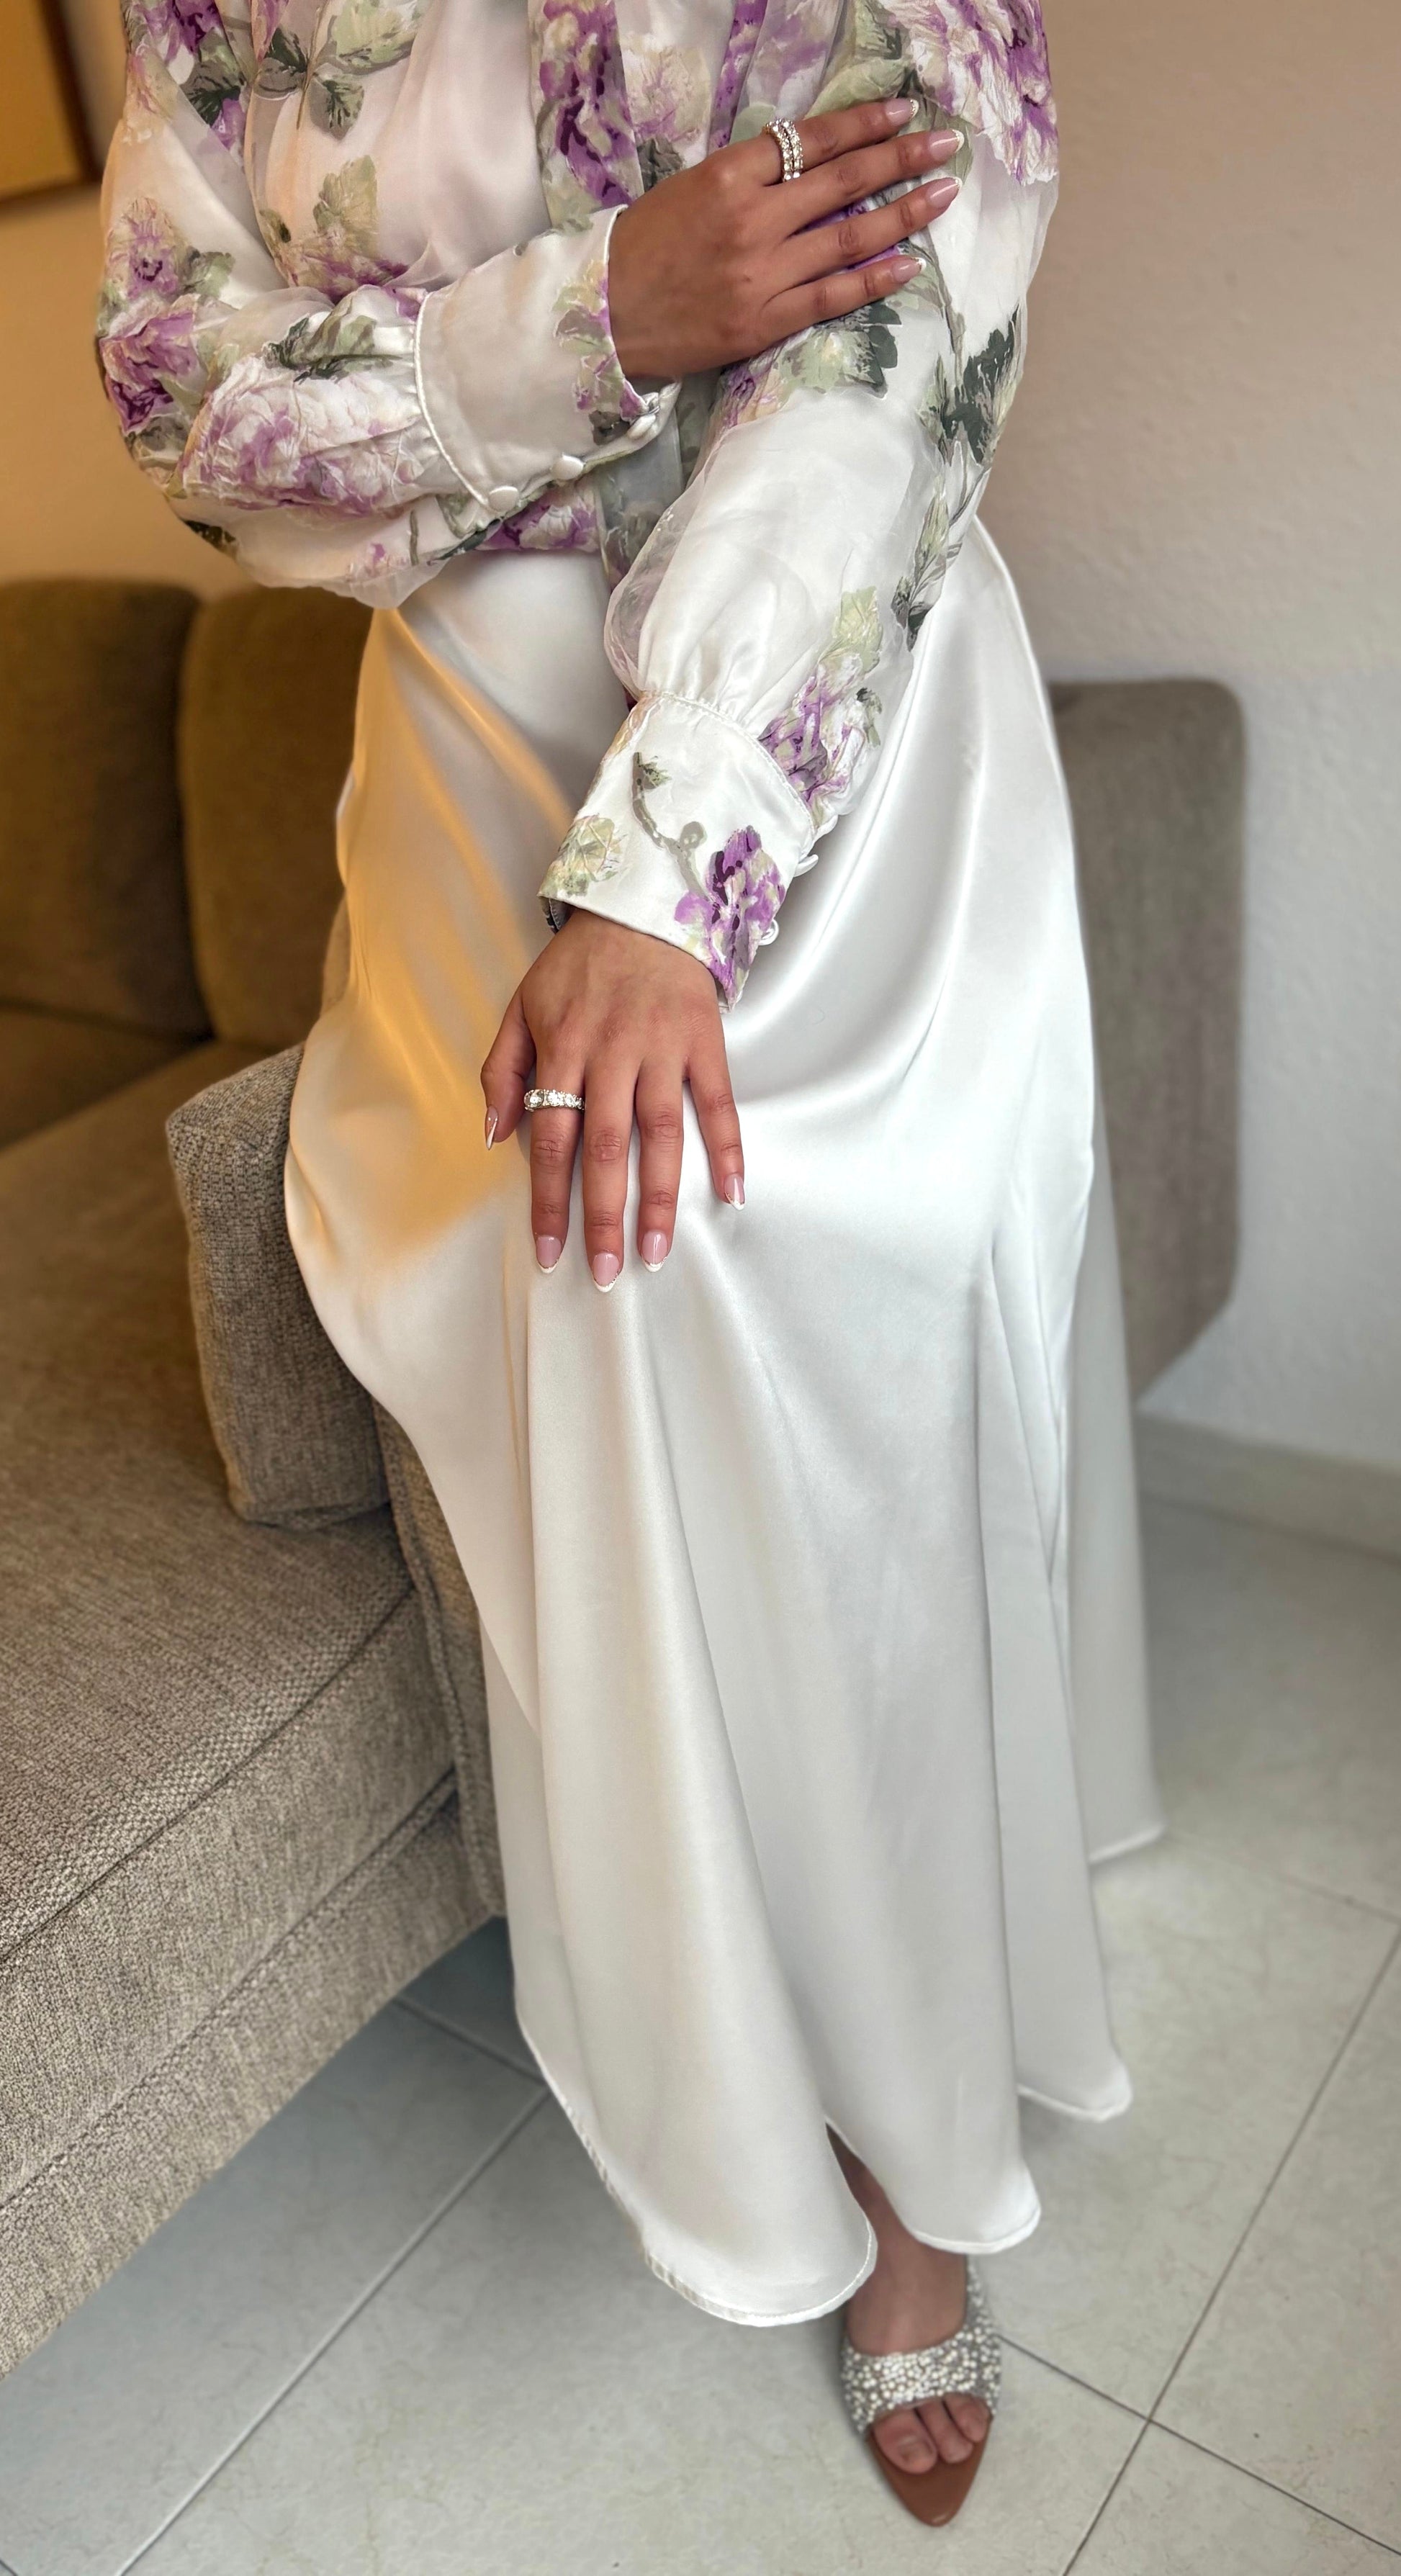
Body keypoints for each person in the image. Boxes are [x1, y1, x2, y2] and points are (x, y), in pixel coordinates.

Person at [98, 0, 1159, 2525]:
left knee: (830, 1323)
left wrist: (672, 866)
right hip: (465, 742)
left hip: (824, 703)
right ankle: (728, 2012)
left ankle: (911, 2148)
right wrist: (591, 313)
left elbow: (913, 299)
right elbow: (179, 394)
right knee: (578, 1301)